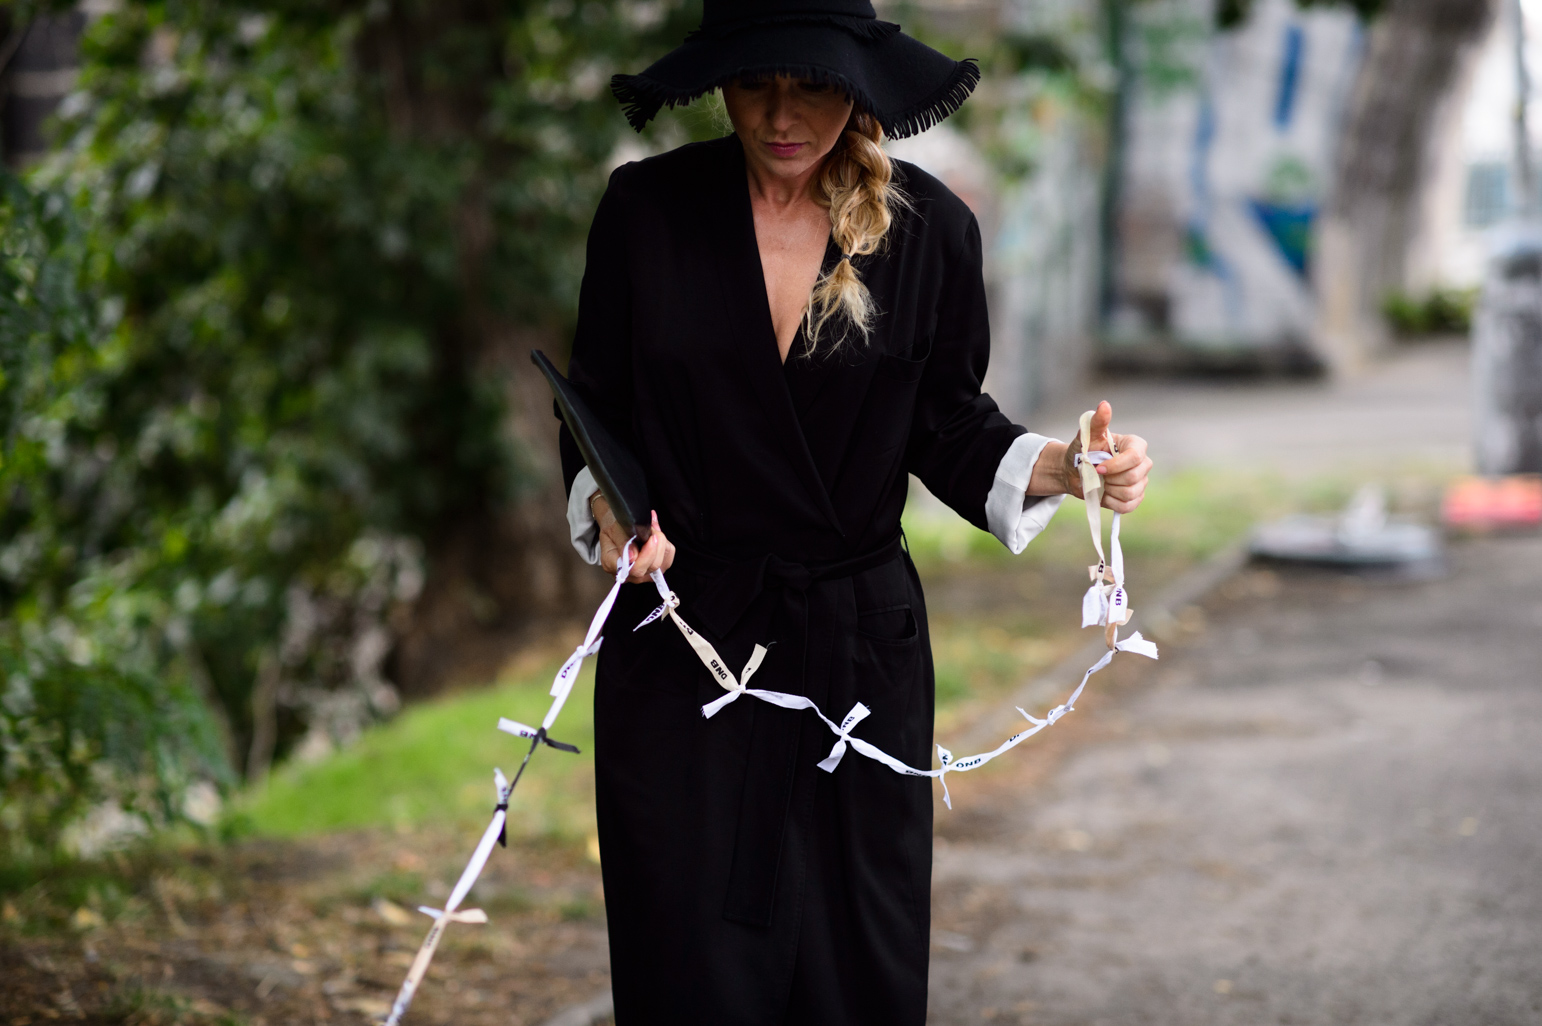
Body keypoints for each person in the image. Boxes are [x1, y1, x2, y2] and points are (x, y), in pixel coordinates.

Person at [557, 2, 1152, 1022]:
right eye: (756, 84)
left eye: (814, 86)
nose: (780, 115)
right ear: (721, 82)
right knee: (687, 973)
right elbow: (595, 411)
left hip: (859, 659)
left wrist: (1063, 468)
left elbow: (948, 424)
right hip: (684, 649)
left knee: (853, 977)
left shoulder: (930, 231)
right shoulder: (646, 213)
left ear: (858, 85)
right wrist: (613, 509)